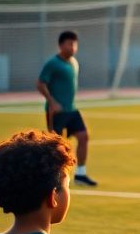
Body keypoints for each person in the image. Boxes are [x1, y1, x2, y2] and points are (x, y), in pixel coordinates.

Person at [37, 30, 96, 186]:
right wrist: (52, 101)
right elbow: (40, 83)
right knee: (55, 146)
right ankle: (50, 177)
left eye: (75, 44)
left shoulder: (74, 62)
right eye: (70, 44)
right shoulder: (53, 63)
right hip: (56, 112)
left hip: (71, 110)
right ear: (61, 45)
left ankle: (81, 174)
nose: (73, 47)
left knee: (83, 137)